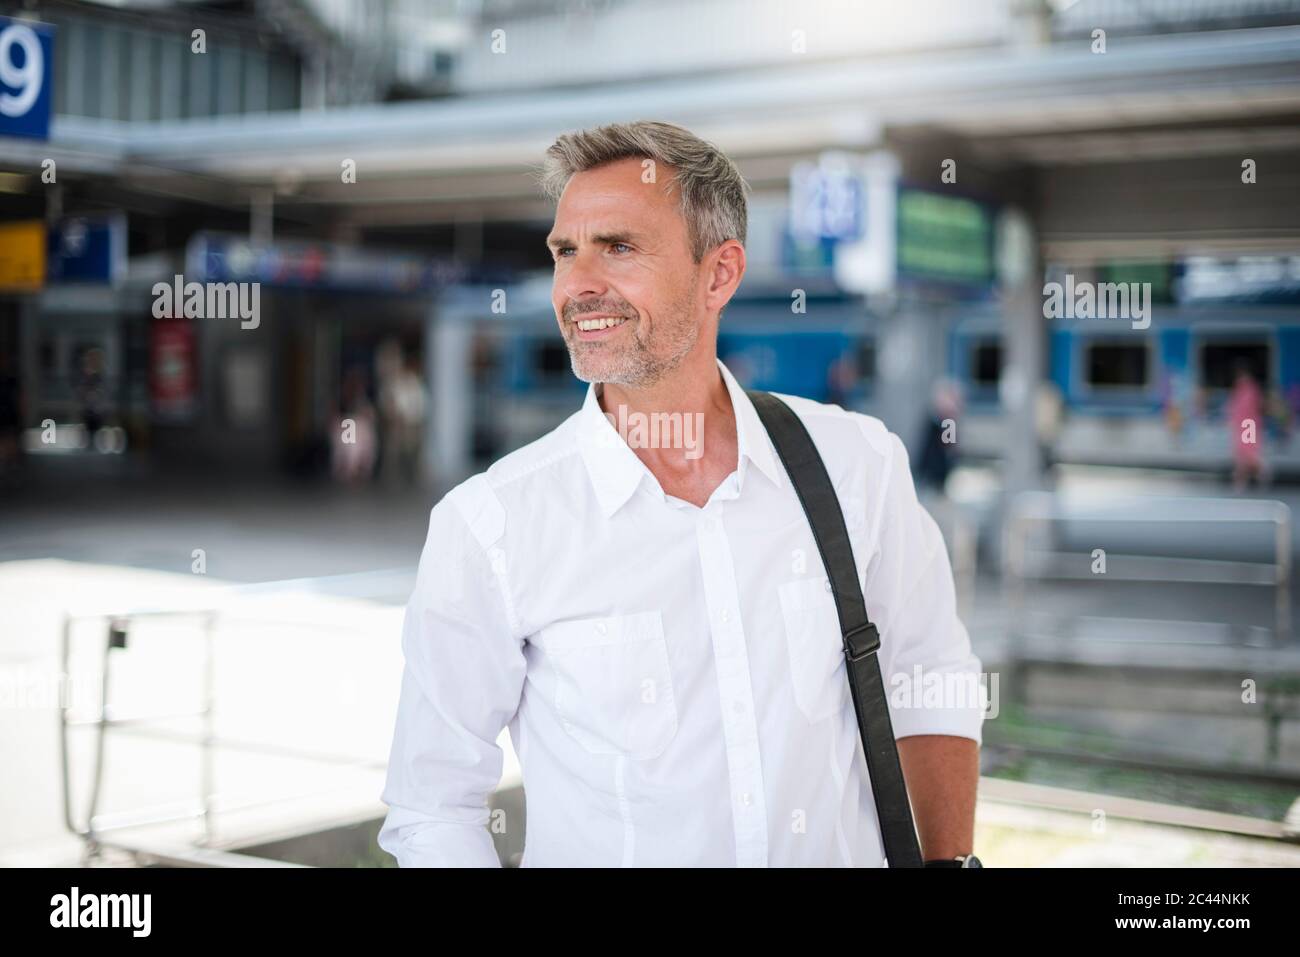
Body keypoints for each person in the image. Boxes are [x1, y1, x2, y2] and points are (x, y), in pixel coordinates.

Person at [379, 121, 983, 867]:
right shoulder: (492, 524)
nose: (578, 284)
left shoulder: (858, 464)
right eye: (566, 251)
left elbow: (931, 678)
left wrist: (951, 862)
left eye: (620, 247)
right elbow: (433, 805)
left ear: (719, 274)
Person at [1227, 361, 1264, 492]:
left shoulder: (1248, 389)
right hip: (1245, 425)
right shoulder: (1243, 388)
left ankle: (1260, 476)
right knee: (1243, 455)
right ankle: (1241, 482)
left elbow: (1244, 409)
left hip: (1248, 425)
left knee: (1248, 456)